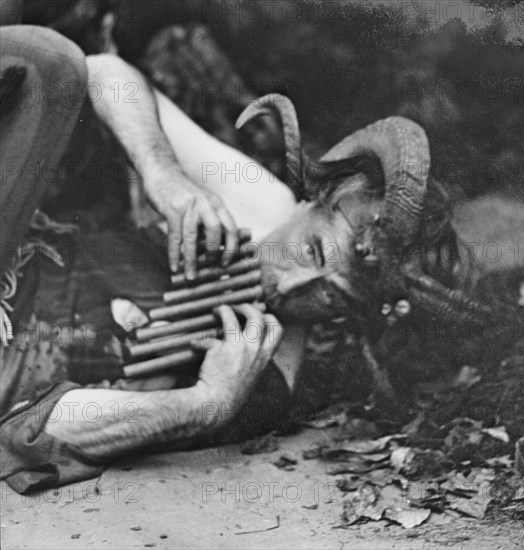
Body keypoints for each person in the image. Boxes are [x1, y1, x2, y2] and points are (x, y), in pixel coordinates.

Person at [0, 24, 299, 493]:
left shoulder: (267, 363)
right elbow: (96, 73)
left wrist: (207, 403)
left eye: (348, 291)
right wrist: (163, 173)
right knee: (50, 61)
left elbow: (31, 433)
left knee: (51, 62)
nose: (302, 282)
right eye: (318, 252)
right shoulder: (267, 213)